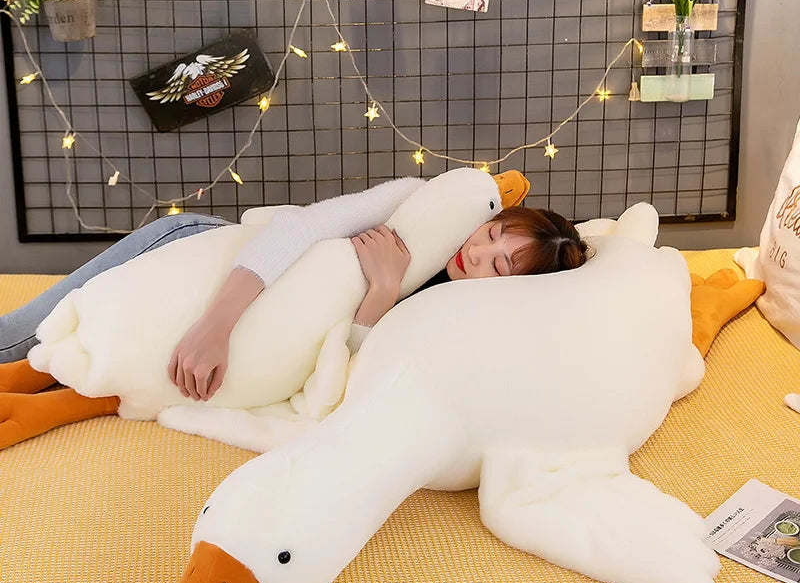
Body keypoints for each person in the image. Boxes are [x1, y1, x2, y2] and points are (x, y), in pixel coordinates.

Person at [0, 176, 587, 446]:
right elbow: (298, 228)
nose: (476, 252)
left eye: (499, 265)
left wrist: (382, 293)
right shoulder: (421, 206)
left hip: (260, 321)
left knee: (123, 365)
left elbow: (351, 378)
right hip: (209, 258)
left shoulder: (457, 315)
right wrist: (216, 325)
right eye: (493, 233)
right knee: (17, 340)